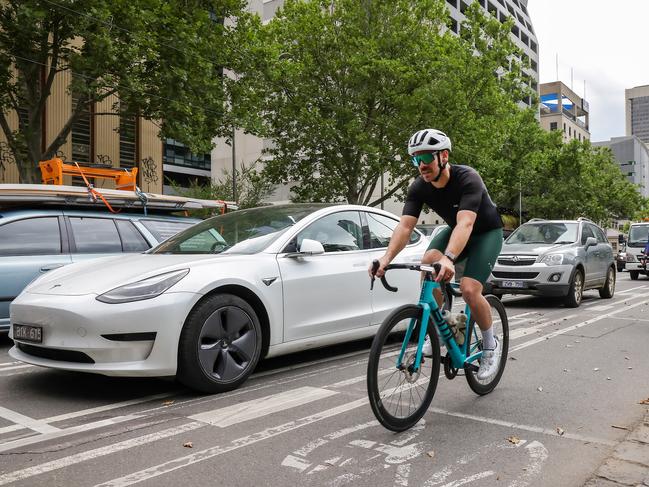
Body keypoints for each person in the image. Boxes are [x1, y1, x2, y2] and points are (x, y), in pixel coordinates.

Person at [369, 129, 504, 380]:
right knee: (428, 260)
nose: (420, 165)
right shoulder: (419, 187)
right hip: (456, 232)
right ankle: (446, 326)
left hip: (485, 233)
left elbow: (465, 224)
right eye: (415, 160)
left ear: (443, 156)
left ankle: (490, 346)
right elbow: (405, 227)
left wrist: (449, 258)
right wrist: (386, 259)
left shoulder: (468, 179)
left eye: (425, 158)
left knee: (469, 289)